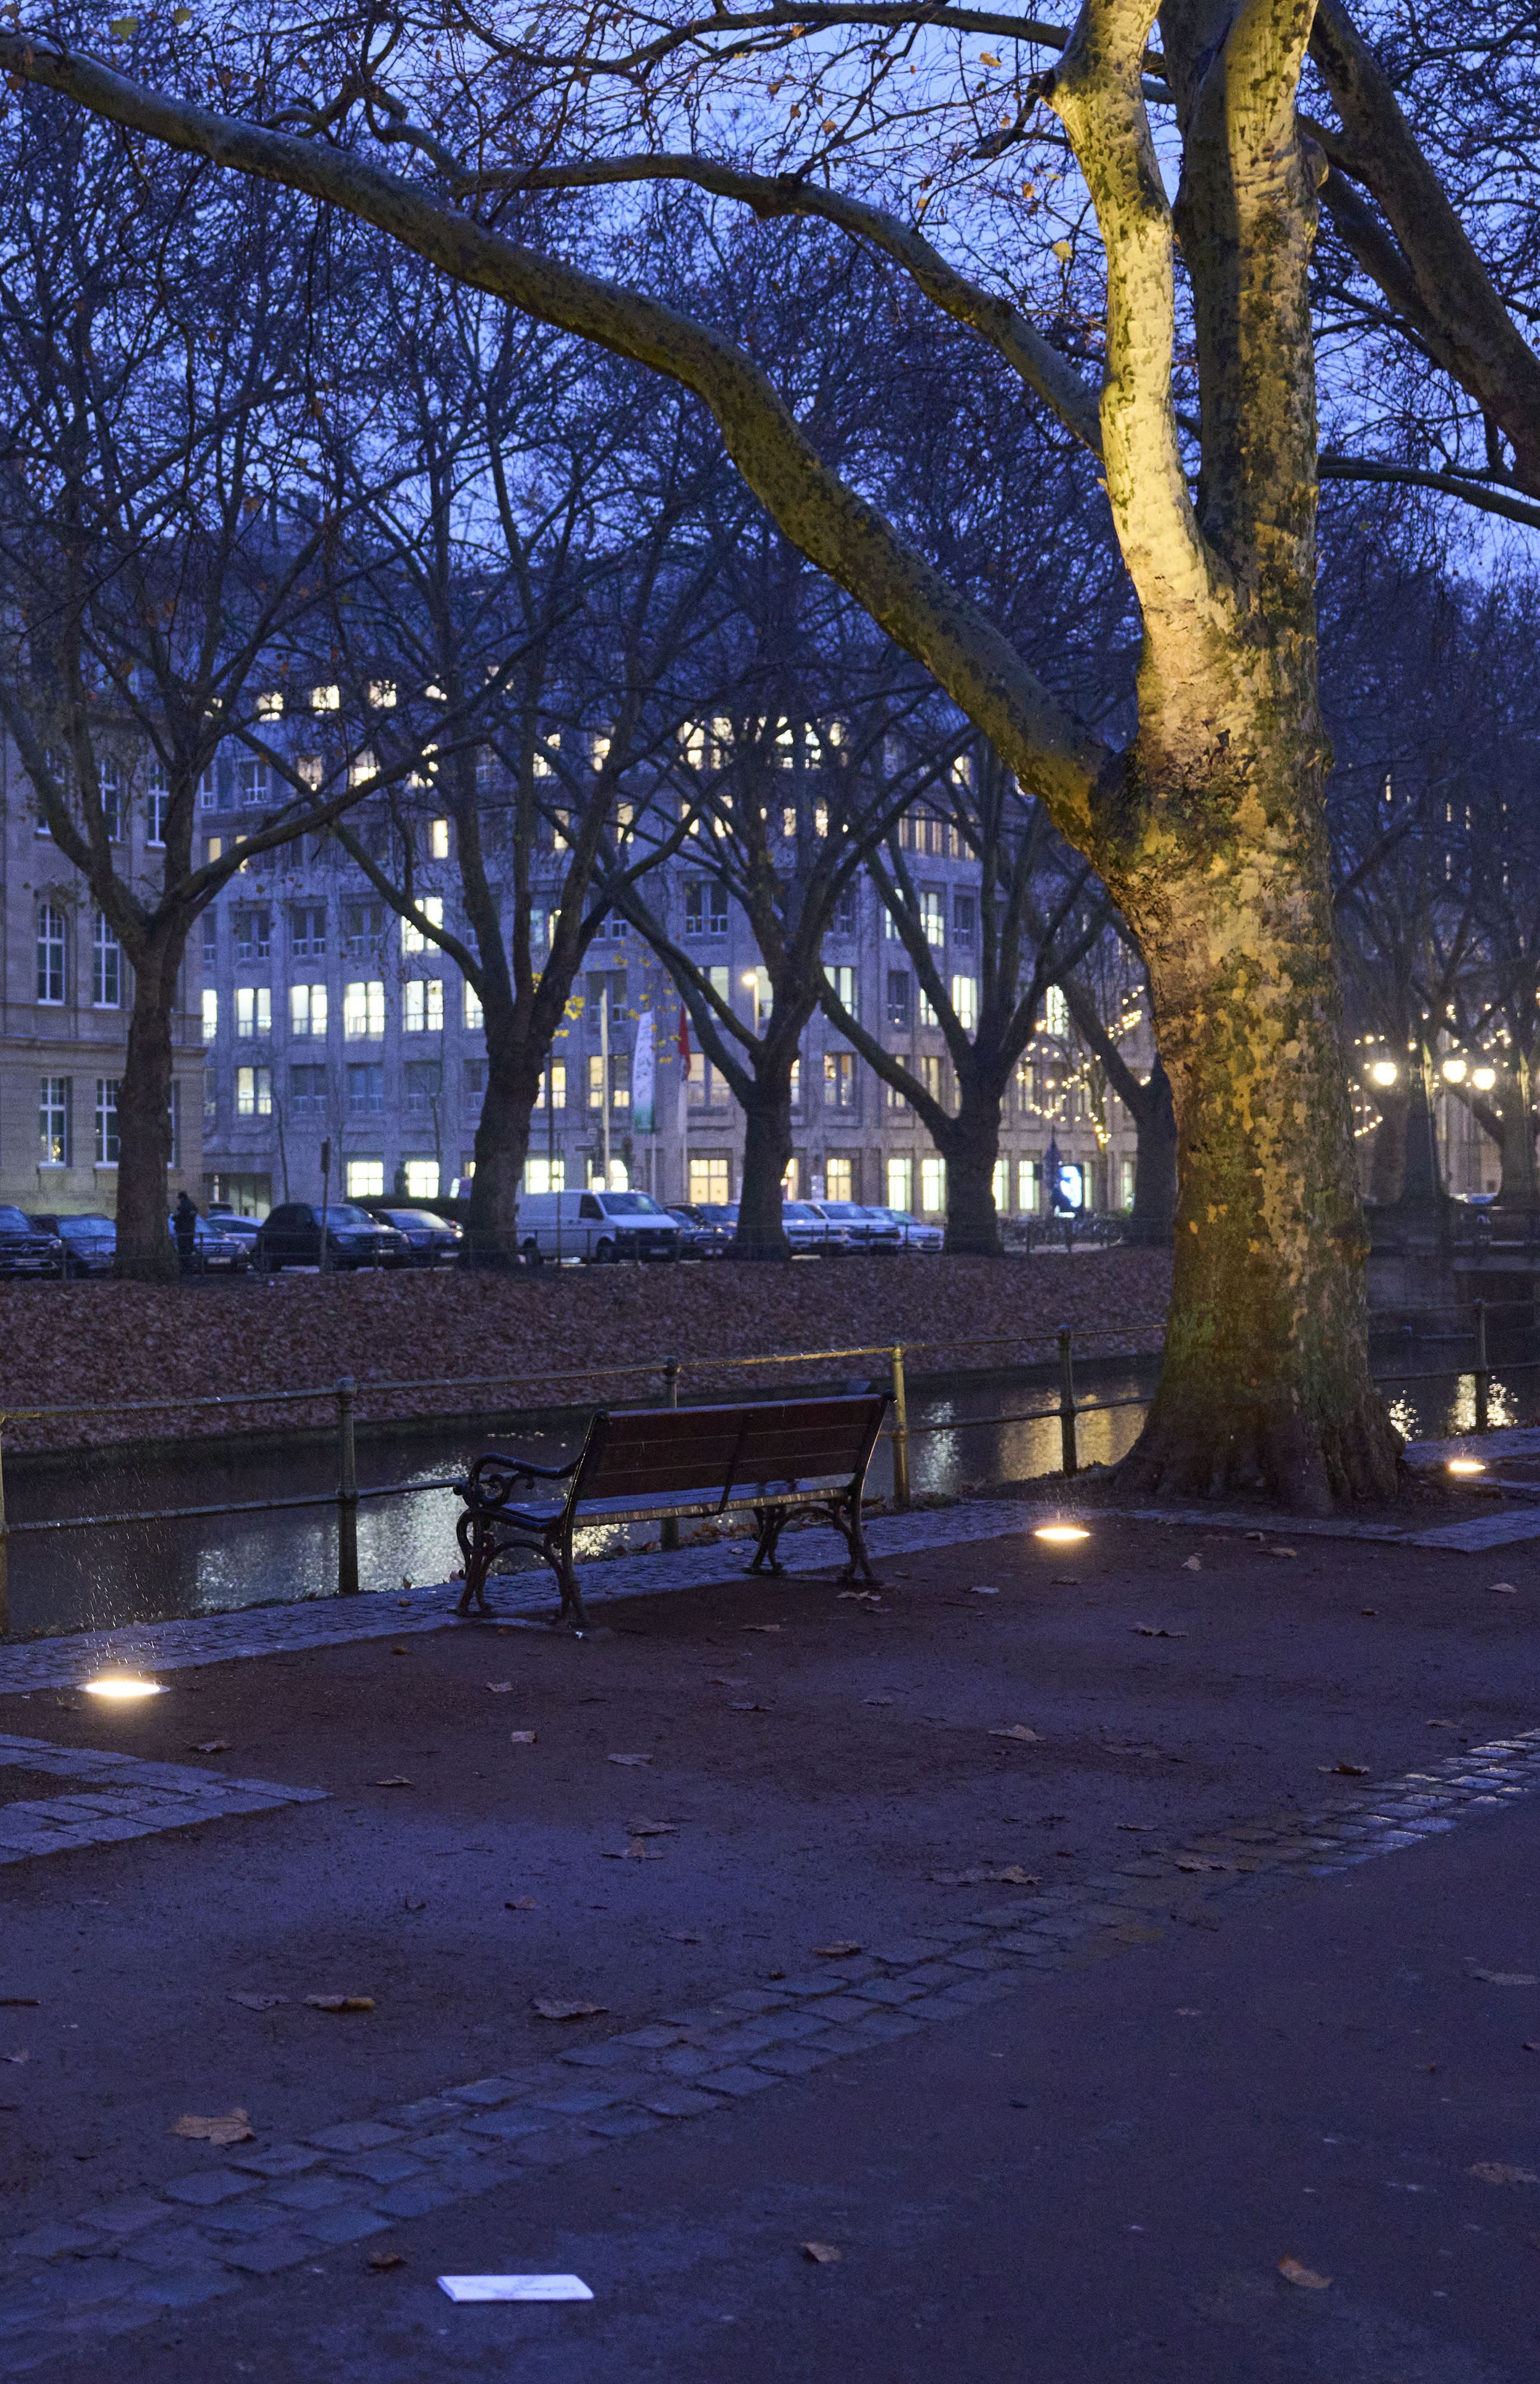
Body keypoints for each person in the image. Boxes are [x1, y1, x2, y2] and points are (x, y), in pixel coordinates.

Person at [173, 1191, 198, 1274]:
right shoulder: (192, 1205)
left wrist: (177, 1218)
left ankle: (184, 1269)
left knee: (182, 1250)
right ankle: (189, 1268)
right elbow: (193, 1215)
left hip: (182, 1231)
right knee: (189, 1250)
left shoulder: (181, 1207)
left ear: (181, 1198)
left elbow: (176, 1217)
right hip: (190, 1231)